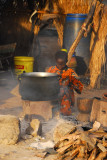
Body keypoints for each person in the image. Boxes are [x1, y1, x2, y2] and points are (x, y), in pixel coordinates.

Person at [48, 50, 83, 116]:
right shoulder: (51, 70)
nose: (61, 67)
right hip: (53, 96)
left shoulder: (70, 72)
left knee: (66, 113)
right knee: (49, 112)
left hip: (65, 97)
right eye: (59, 64)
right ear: (55, 61)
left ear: (66, 61)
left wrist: (72, 85)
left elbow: (79, 88)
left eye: (62, 64)